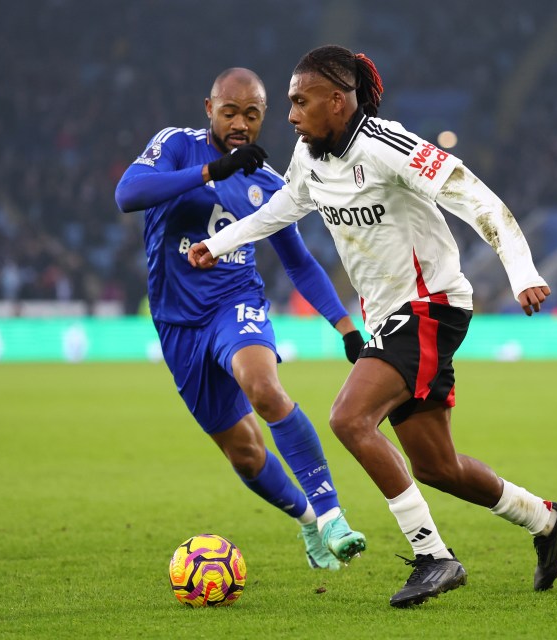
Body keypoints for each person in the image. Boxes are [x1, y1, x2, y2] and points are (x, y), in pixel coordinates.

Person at [188, 46, 557, 607]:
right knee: (436, 466)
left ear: (339, 101)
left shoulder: (387, 145)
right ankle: (548, 520)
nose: (291, 114)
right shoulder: (308, 155)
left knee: (348, 418)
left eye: (301, 101)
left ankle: (434, 557)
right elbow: (280, 210)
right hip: (389, 318)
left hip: (430, 306)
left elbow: (475, 197)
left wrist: (521, 272)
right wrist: (218, 243)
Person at [114, 68, 367, 571]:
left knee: (264, 388)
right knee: (246, 456)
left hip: (236, 303)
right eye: (229, 111)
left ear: (263, 118)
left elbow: (297, 262)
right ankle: (307, 521)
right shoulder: (176, 146)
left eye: (251, 115)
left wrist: (345, 325)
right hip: (177, 324)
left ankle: (331, 512)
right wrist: (213, 172)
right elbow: (128, 195)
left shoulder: (271, 183)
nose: (239, 123)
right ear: (209, 109)